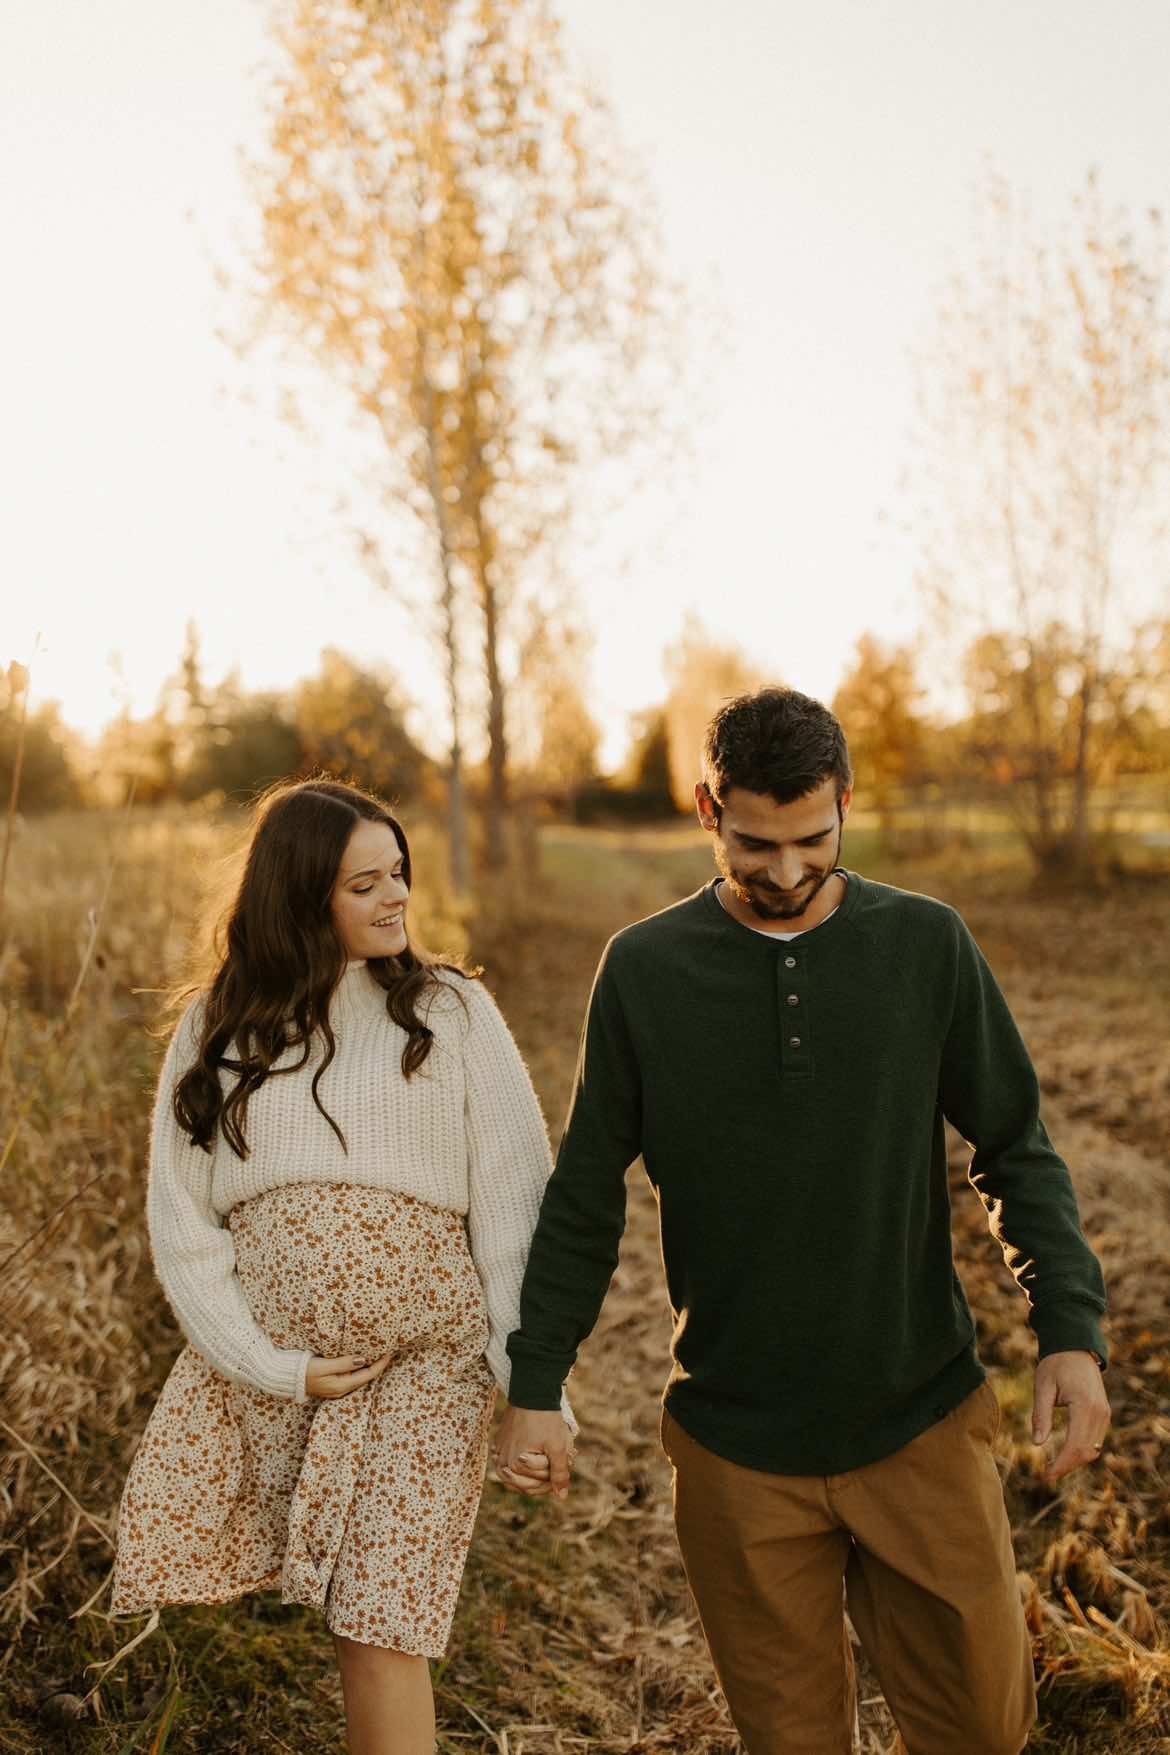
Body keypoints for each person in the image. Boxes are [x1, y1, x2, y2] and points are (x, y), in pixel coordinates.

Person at [493, 687, 1110, 1755]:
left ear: (848, 806)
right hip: (738, 1448)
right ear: (705, 809)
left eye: (811, 840)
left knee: (986, 1734)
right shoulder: (644, 971)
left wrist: (1070, 1329)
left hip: (920, 1418)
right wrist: (538, 1382)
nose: (784, 873)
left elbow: (1013, 1145)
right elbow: (587, 1188)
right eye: (753, 844)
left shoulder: (926, 946)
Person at [111, 778, 573, 1755]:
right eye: (364, 884)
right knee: (328, 1612)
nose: (396, 897)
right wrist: (270, 1365)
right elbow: (183, 1226)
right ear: (298, 896)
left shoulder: (451, 1012)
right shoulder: (216, 1028)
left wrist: (534, 1381)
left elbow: (513, 1208)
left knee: (379, 1624)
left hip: (426, 1363)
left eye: (398, 873)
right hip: (281, 1375)